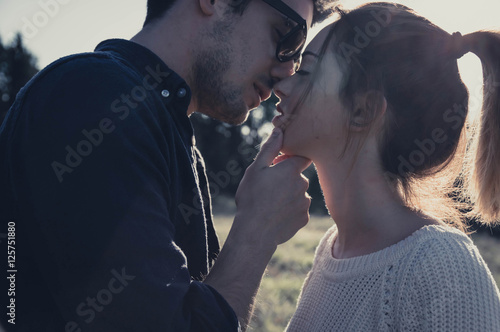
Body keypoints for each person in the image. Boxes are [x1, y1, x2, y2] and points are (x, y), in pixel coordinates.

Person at [0, 0, 335, 331]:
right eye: (285, 37)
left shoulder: (166, 132)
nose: (284, 73)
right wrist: (256, 232)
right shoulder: (92, 96)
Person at [270, 3, 500, 331]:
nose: (282, 86)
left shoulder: (443, 269)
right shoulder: (333, 249)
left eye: (305, 71)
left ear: (363, 110)